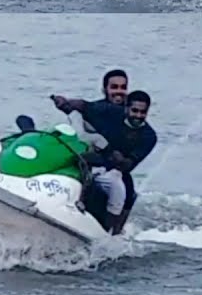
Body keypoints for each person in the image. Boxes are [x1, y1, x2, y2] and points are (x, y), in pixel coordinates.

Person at [50, 89, 157, 235]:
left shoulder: (149, 136)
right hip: (94, 156)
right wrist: (65, 103)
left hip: (115, 170)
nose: (138, 116)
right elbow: (84, 106)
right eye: (135, 110)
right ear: (126, 108)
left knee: (120, 190)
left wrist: (120, 159)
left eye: (142, 112)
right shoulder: (113, 112)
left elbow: (130, 164)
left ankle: (108, 234)